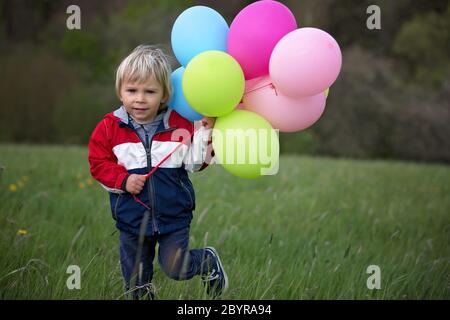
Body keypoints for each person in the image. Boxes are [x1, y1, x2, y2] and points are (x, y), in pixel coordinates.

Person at [88, 45, 228, 299]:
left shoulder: (179, 124)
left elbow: (195, 164)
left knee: (176, 267)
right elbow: (98, 164)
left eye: (149, 92)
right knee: (136, 283)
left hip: (173, 216)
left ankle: (206, 261)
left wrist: (206, 132)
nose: (139, 98)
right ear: (120, 91)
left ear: (164, 95)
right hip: (132, 220)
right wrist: (123, 179)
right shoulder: (110, 128)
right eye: (132, 90)